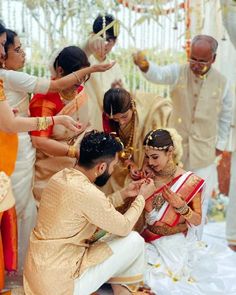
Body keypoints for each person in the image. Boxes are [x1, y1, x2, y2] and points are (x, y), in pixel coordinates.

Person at [0, 28, 115, 273]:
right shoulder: (27, 89)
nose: (24, 53)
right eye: (16, 49)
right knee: (20, 212)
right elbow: (37, 138)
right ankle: (24, 269)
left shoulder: (77, 92)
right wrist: (73, 151)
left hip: (52, 159)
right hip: (23, 154)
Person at [23, 131, 156, 295]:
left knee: (107, 235)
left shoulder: (59, 177)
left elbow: (95, 207)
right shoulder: (87, 192)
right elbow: (124, 226)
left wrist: (123, 194)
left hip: (36, 276)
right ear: (101, 167)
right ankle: (124, 292)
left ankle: (121, 289)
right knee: (133, 240)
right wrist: (142, 197)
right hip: (60, 286)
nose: (113, 170)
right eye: (113, 166)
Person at [133, 35, 234, 238]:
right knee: (171, 192)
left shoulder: (223, 83)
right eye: (193, 59)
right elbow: (159, 75)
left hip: (204, 150)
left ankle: (196, 240)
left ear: (213, 59)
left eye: (202, 61)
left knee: (200, 198)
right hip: (176, 149)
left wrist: (220, 145)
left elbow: (226, 116)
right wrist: (145, 66)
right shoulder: (178, 71)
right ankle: (169, 236)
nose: (195, 65)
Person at [141, 128, 236, 295]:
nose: (150, 162)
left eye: (155, 157)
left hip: (173, 243)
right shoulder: (147, 178)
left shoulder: (189, 181)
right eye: (147, 157)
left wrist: (181, 207)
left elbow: (197, 220)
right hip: (146, 239)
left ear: (170, 152)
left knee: (161, 279)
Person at [30, 46, 93, 203]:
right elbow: (39, 141)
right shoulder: (44, 100)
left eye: (83, 78)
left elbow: (86, 123)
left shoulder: (79, 90)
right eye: (75, 79)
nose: (79, 84)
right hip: (49, 173)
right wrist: (73, 152)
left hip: (77, 167)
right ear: (60, 71)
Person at [102, 87, 172, 195]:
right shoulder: (109, 119)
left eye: (124, 117)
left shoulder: (150, 113)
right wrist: (129, 163)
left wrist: (146, 164)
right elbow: (117, 146)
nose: (121, 122)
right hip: (127, 165)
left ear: (132, 106)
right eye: (116, 119)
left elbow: (159, 144)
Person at [83, 13, 125, 130]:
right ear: (93, 36)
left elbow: (124, 97)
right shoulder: (84, 60)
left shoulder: (115, 67)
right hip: (86, 120)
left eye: (110, 40)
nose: (105, 44)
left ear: (115, 41)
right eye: (102, 38)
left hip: (110, 123)